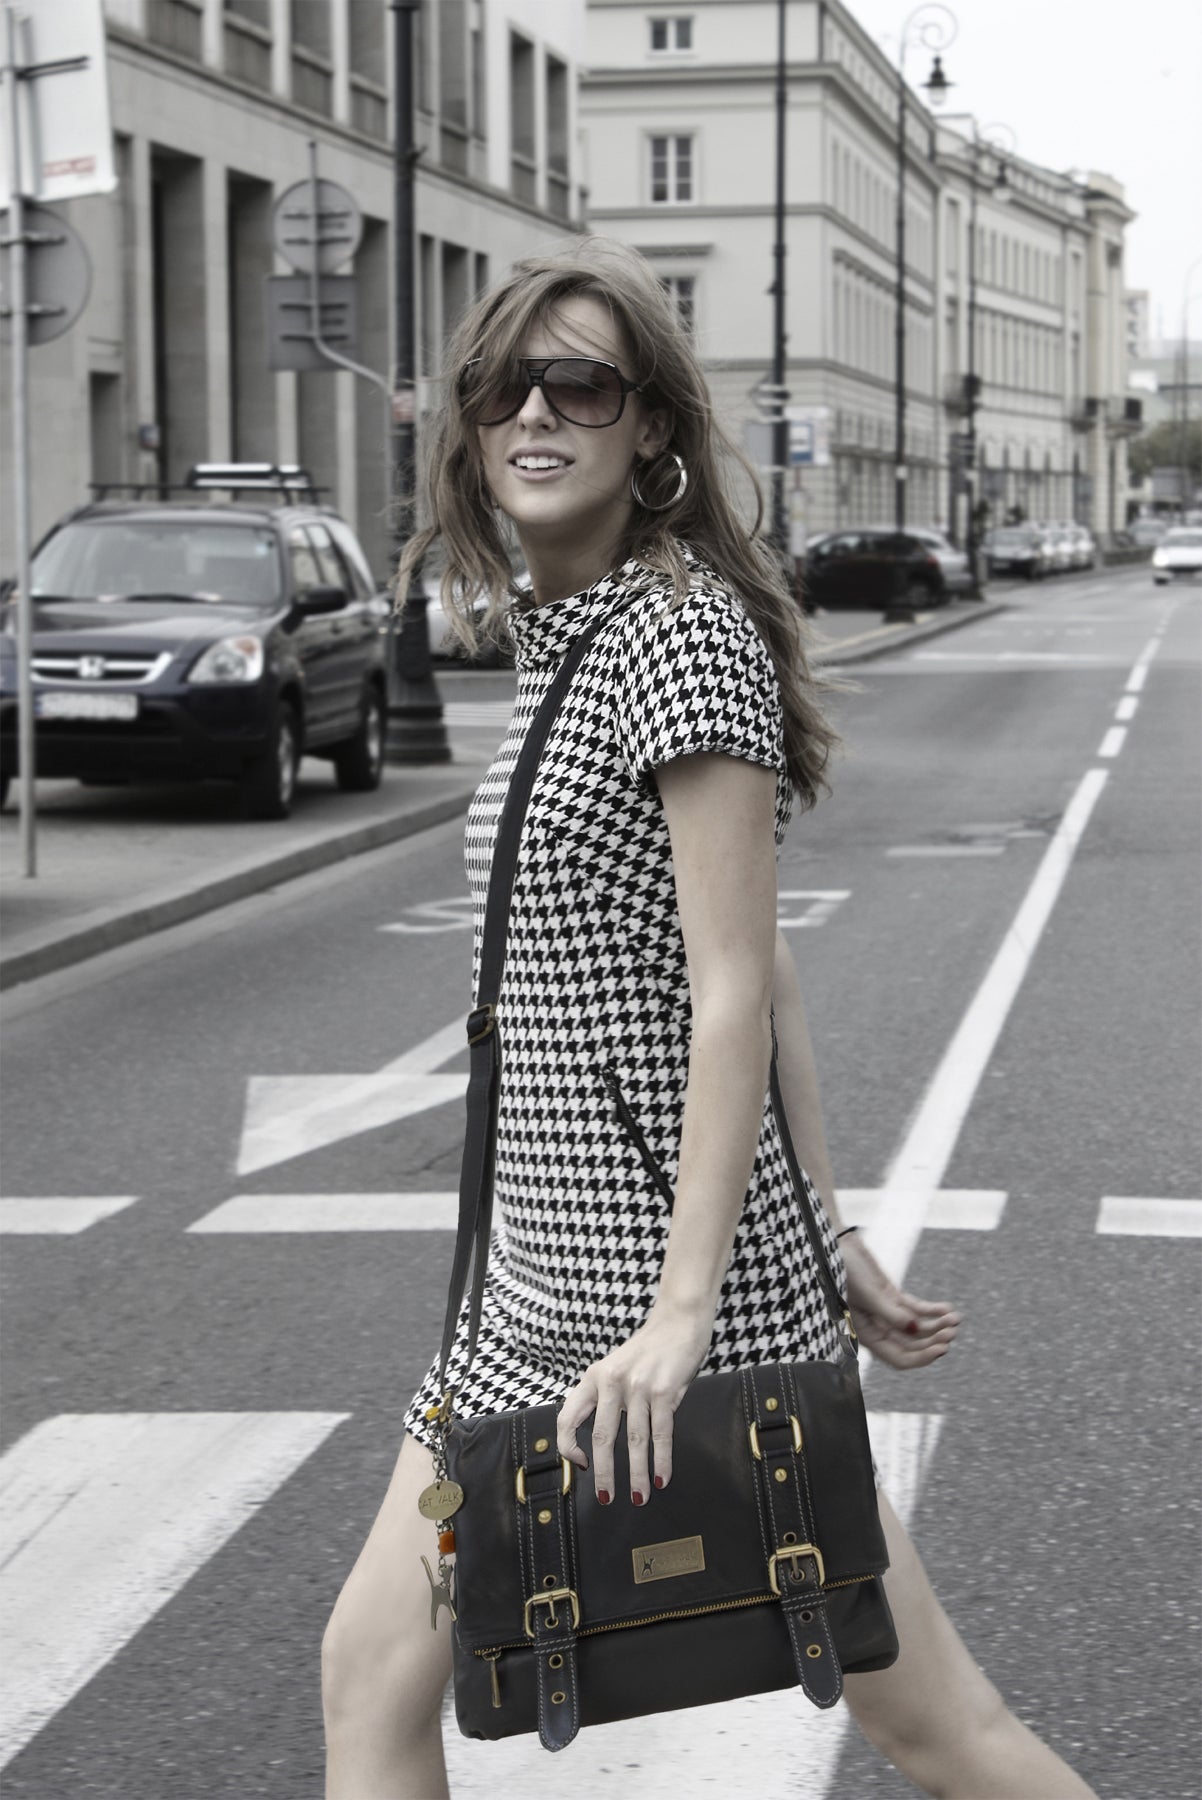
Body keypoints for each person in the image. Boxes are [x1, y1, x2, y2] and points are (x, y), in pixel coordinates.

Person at [321, 239, 1097, 1800]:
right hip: (529, 1291)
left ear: (652, 427)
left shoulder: (676, 633)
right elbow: (755, 971)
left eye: (580, 385)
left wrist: (693, 1312)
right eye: (502, 385)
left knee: (929, 1722)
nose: (534, 414)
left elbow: (739, 978)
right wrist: (825, 1225)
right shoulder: (575, 636)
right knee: (369, 1675)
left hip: (660, 1305)